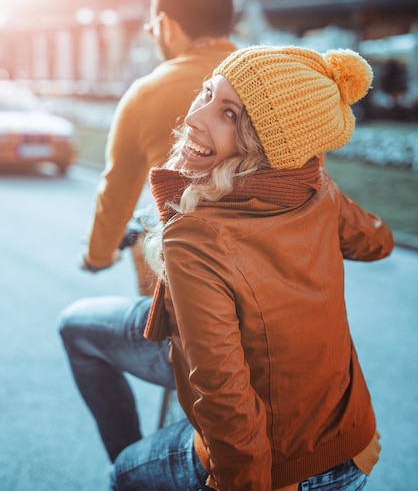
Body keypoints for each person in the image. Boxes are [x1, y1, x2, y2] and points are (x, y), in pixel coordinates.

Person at [108, 45, 394, 491]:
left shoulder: (195, 234)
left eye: (230, 115)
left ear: (266, 148)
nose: (197, 118)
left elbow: (226, 402)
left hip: (275, 471)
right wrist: (315, 178)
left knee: (121, 474)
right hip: (351, 443)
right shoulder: (318, 189)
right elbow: (378, 241)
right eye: (206, 93)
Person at [58, 0, 236, 461]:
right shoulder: (272, 86)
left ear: (169, 24)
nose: (152, 29)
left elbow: (115, 194)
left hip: (200, 330)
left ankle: (132, 463)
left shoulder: (148, 92)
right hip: (284, 322)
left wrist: (96, 256)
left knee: (75, 327)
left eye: (154, 19)